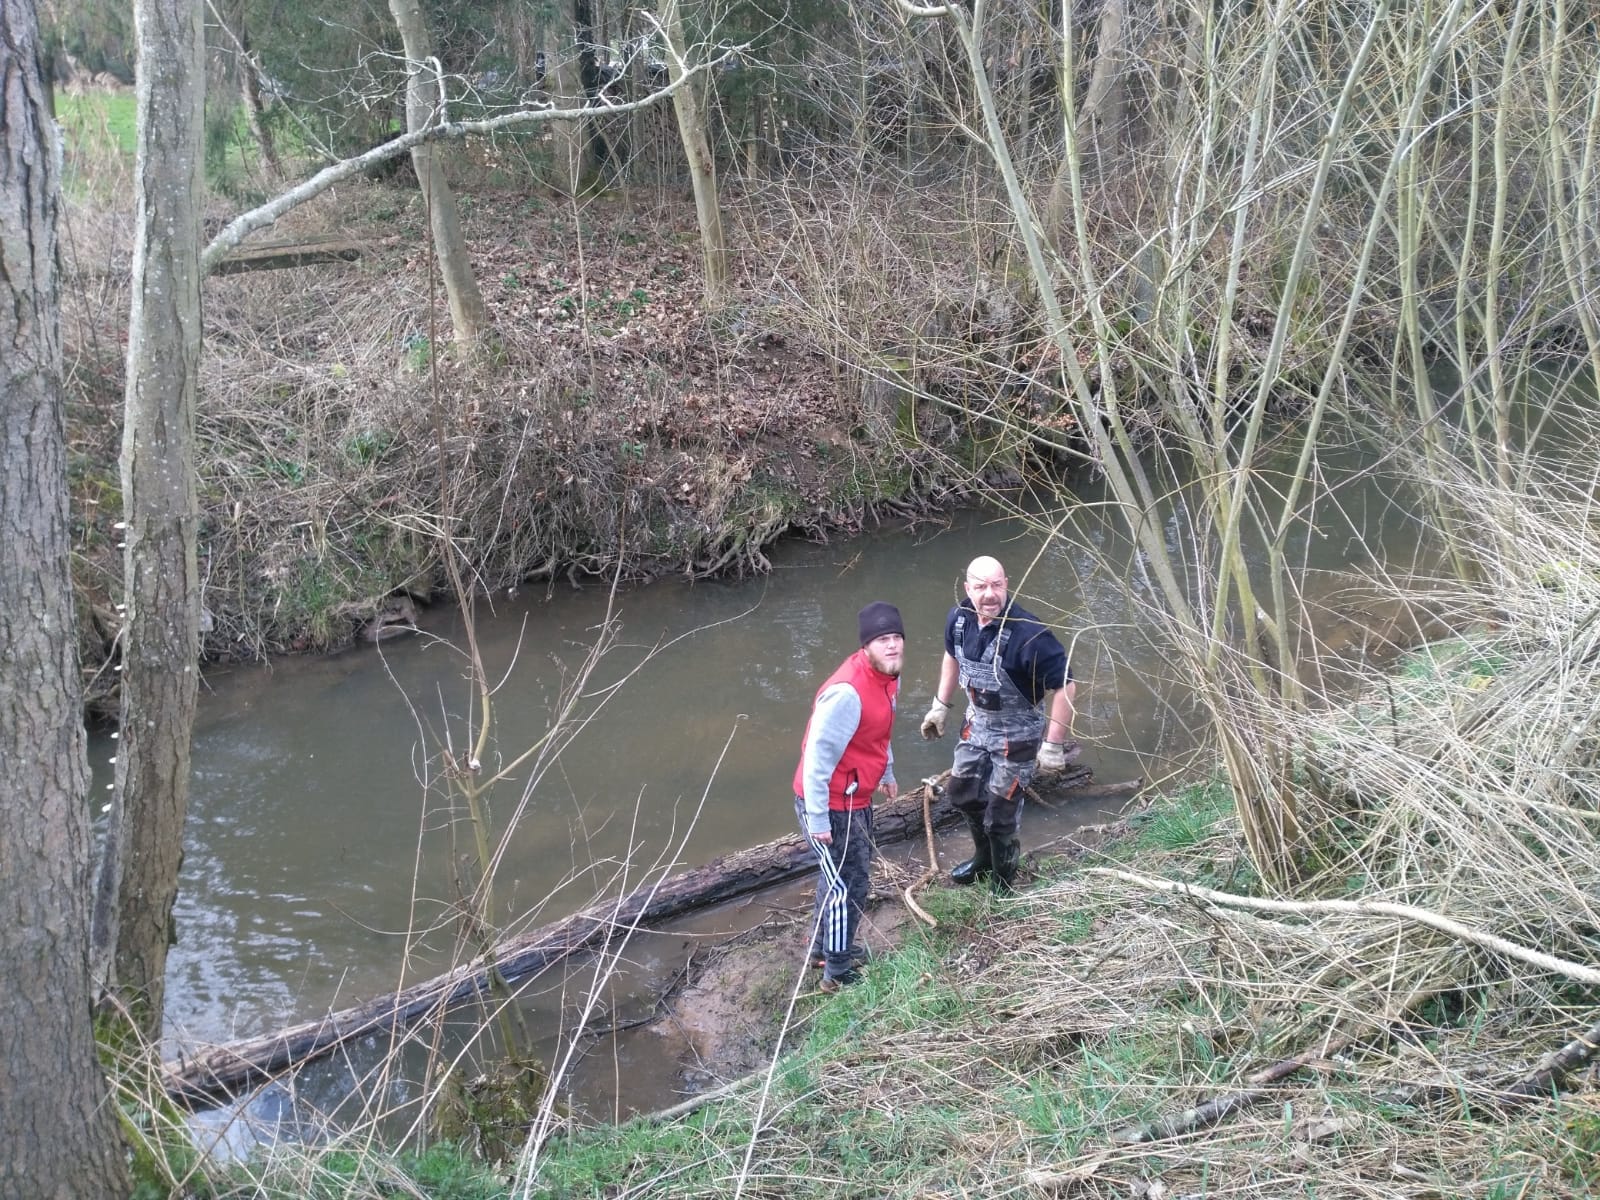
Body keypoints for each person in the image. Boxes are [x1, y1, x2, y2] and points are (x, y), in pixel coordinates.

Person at [921, 556, 1077, 891]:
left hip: (1017, 733)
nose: (989, 594)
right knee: (961, 793)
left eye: (996, 585)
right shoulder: (958, 620)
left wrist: (1053, 744)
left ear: (1006, 583)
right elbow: (951, 656)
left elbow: (1065, 685)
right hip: (977, 723)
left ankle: (1002, 886)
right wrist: (940, 706)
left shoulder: (1030, 634)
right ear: (968, 589)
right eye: (980, 586)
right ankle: (984, 860)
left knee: (1000, 814)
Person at [793, 601, 904, 992]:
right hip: (829, 804)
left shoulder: (888, 675)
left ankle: (820, 949)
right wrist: (819, 819)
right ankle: (837, 971)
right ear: (866, 646)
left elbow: (878, 733)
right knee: (846, 886)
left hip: (856, 796)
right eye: (882, 639)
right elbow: (815, 760)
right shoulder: (846, 693)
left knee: (844, 879)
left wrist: (886, 771)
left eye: (897, 637)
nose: (892, 645)